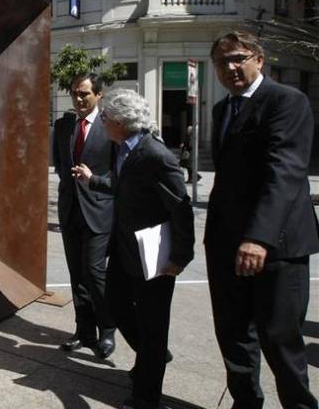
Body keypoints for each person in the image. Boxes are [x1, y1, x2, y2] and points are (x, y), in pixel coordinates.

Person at [205, 31, 318, 409]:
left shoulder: (287, 101)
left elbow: (284, 173)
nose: (231, 67)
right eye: (222, 62)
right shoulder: (222, 110)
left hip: (275, 247)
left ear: (259, 59)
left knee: (280, 342)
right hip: (226, 248)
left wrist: (258, 239)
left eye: (238, 58)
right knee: (234, 338)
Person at [73, 88, 195, 409]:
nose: (103, 123)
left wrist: (180, 256)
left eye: (107, 118)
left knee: (154, 325)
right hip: (125, 250)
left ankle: (146, 397)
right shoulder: (123, 149)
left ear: (120, 122)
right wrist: (92, 180)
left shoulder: (156, 155)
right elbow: (121, 185)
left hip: (154, 254)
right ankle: (153, 354)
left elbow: (181, 208)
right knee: (115, 304)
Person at [51, 73, 116, 359]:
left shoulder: (110, 124)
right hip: (70, 211)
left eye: (85, 94)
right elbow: (60, 167)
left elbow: (120, 171)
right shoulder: (64, 126)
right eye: (75, 93)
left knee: (94, 271)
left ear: (99, 94)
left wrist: (96, 182)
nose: (79, 99)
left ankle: (108, 328)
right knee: (77, 274)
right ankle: (84, 330)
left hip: (100, 211)